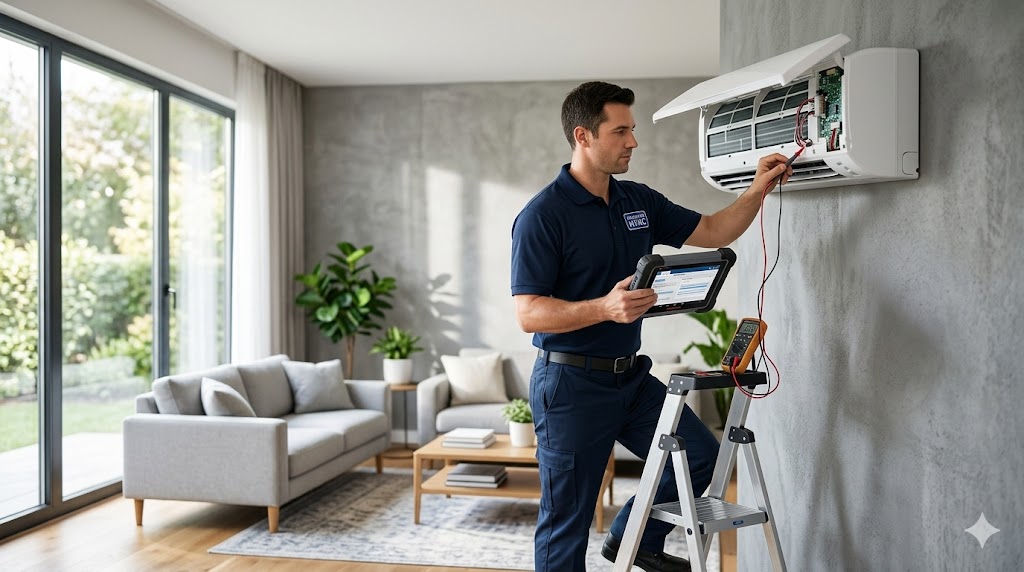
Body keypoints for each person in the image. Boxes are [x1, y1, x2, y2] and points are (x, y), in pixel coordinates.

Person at [510, 81, 793, 572]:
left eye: (632, 130)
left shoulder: (636, 200)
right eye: (620, 131)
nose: (632, 141)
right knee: (566, 524)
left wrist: (757, 189)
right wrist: (605, 308)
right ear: (583, 136)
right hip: (570, 385)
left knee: (700, 454)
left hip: (631, 380)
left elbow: (712, 230)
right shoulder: (542, 215)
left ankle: (631, 539)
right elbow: (528, 312)